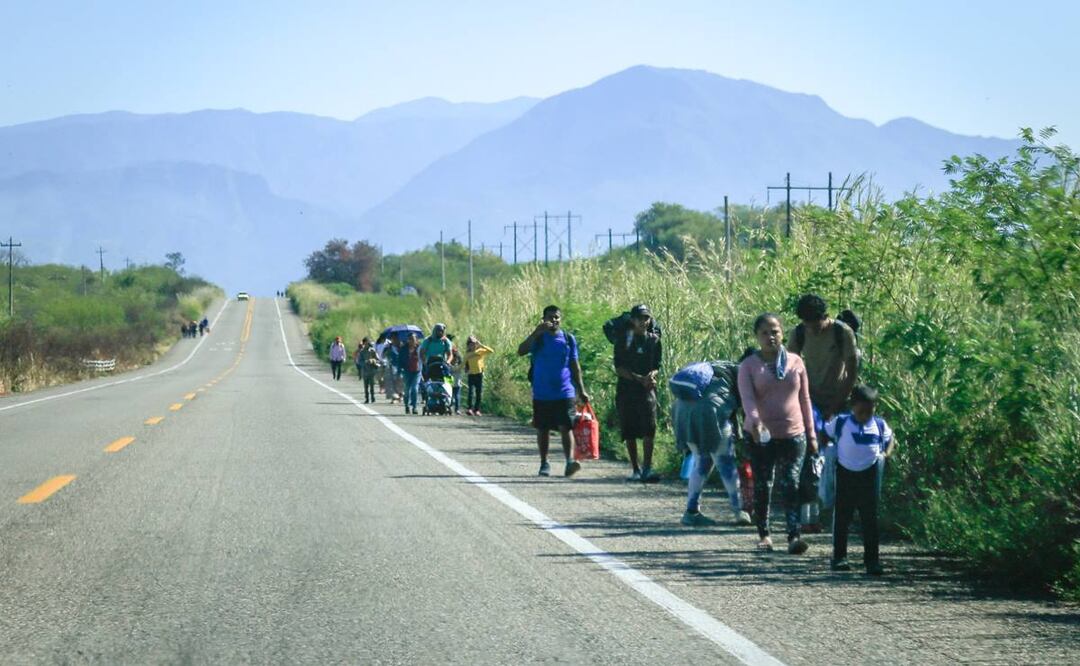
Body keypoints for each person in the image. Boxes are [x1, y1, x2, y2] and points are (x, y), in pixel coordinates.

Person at [738, 313, 818, 554]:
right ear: (757, 336)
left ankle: (794, 536)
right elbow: (748, 401)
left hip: (794, 433)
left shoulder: (795, 362)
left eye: (775, 331)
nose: (770, 337)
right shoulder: (749, 366)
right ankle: (764, 534)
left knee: (791, 483)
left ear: (782, 334)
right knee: (764, 484)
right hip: (761, 436)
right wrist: (755, 422)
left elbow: (805, 398)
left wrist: (812, 433)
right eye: (764, 332)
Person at [788, 294, 859, 533]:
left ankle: (843, 508)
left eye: (815, 324)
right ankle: (812, 511)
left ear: (824, 318)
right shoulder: (798, 333)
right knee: (811, 453)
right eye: (807, 325)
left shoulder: (842, 332)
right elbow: (790, 368)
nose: (812, 330)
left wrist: (837, 404)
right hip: (810, 400)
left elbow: (852, 371)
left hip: (839, 398)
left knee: (843, 454)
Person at [673, 359, 753, 526]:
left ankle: (691, 511)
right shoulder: (744, 373)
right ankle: (740, 512)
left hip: (682, 412)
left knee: (701, 461)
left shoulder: (716, 367)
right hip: (710, 412)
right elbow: (745, 410)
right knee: (726, 463)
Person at [826, 385, 894, 575]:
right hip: (845, 474)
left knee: (870, 519)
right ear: (852, 406)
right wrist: (827, 452)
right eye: (861, 410)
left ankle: (872, 561)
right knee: (842, 517)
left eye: (869, 410)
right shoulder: (841, 422)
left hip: (870, 475)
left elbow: (890, 439)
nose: (865, 414)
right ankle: (839, 557)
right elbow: (825, 433)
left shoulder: (879, 425)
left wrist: (886, 455)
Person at [517, 305, 591, 478]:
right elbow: (521, 351)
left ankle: (570, 462)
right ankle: (544, 463)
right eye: (550, 317)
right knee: (543, 429)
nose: (554, 320)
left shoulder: (568, 339)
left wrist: (581, 390)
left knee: (566, 427)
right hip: (542, 392)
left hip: (565, 392)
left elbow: (575, 366)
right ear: (544, 319)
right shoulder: (539, 338)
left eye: (557, 317)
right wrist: (536, 332)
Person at [614, 304, 662, 482]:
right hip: (627, 390)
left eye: (646, 318)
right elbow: (619, 368)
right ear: (632, 320)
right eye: (639, 318)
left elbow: (657, 365)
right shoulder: (623, 341)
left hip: (647, 390)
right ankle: (635, 469)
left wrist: (651, 375)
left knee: (650, 428)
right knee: (630, 430)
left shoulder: (654, 341)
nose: (643, 322)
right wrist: (638, 378)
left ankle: (647, 468)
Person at [464, 336, 494, 416]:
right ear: (468, 345)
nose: (472, 346)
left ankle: (477, 410)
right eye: (471, 344)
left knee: (478, 393)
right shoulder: (468, 354)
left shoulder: (480, 351)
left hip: (479, 374)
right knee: (470, 392)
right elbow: (464, 363)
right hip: (471, 374)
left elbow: (491, 351)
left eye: (474, 344)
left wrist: (481, 345)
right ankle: (469, 408)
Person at [398, 334, 422, 414]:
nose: (412, 341)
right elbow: (399, 360)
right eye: (410, 339)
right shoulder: (403, 349)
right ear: (408, 340)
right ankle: (406, 406)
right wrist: (399, 372)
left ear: (416, 340)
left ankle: (414, 407)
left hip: (417, 371)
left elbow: (423, 359)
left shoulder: (419, 348)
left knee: (415, 389)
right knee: (407, 390)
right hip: (406, 371)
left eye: (413, 339)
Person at [356, 338, 380, 403]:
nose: (367, 344)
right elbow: (359, 361)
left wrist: (373, 360)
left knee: (372, 385)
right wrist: (366, 362)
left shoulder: (373, 351)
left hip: (372, 371)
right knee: (366, 386)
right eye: (366, 343)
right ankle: (367, 398)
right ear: (364, 343)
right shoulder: (361, 352)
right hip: (365, 371)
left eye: (368, 343)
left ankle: (373, 397)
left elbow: (378, 360)